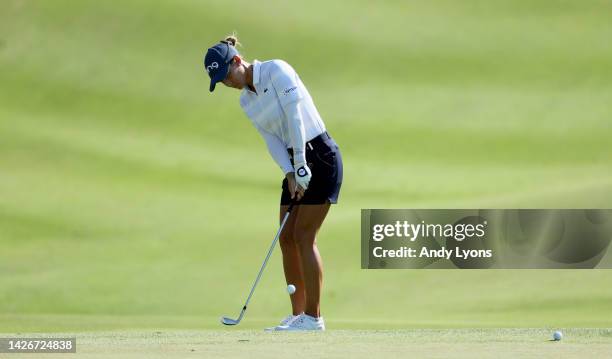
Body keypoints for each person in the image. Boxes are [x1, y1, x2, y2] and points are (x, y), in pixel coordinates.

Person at [204, 34, 343, 331]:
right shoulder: (246, 102)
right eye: (220, 80)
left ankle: (313, 317)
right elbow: (270, 138)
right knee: (286, 237)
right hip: (296, 162)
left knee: (305, 236)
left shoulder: (276, 70)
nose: (227, 82)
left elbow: (295, 117)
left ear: (238, 61)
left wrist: (302, 165)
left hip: (320, 155)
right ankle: (298, 316)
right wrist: (290, 172)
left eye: (226, 74)